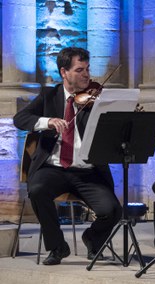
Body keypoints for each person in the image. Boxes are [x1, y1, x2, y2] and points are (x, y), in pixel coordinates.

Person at [13, 47, 122, 265]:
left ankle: (92, 238)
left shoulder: (96, 98)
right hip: (53, 169)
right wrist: (48, 121)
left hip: (87, 172)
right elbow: (20, 118)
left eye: (88, 69)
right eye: (80, 70)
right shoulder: (49, 95)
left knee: (113, 211)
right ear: (64, 72)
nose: (86, 75)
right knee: (37, 190)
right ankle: (57, 247)